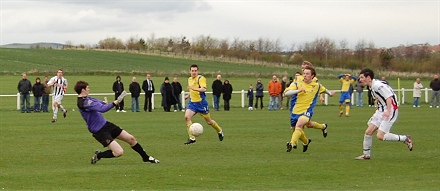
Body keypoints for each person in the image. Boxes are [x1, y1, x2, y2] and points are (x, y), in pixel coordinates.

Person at [74, 80, 159, 164]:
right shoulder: (83, 102)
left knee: (131, 139)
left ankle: (146, 157)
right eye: (87, 88)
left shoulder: (87, 98)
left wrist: (103, 102)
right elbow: (103, 109)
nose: (89, 89)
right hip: (99, 131)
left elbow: (98, 102)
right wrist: (115, 103)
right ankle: (99, 155)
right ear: (83, 90)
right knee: (119, 152)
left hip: (106, 125)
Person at [355, 68, 413, 160]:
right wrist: (379, 106)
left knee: (380, 136)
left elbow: (388, 97)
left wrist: (388, 111)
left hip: (390, 110)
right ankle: (366, 155)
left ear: (369, 77)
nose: (360, 80)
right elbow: (381, 96)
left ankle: (405, 138)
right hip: (381, 110)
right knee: (368, 132)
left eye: (362, 77)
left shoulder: (377, 85)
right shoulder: (372, 85)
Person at [285, 66, 335, 153]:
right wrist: (298, 91)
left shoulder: (317, 86)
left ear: (313, 76)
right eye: (304, 73)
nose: (305, 75)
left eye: (307, 74)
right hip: (295, 111)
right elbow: (286, 93)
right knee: (301, 129)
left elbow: (326, 90)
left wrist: (330, 93)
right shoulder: (297, 83)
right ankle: (307, 141)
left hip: (307, 111)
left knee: (299, 125)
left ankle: (292, 143)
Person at [183, 64, 224, 144]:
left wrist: (193, 88)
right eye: (192, 71)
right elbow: (192, 90)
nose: (194, 72)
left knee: (209, 122)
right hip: (192, 103)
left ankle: (219, 131)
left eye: (195, 71)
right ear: (190, 71)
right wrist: (188, 95)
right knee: (187, 117)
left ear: (198, 71)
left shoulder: (201, 78)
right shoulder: (189, 79)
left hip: (201, 104)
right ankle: (192, 138)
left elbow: (203, 89)